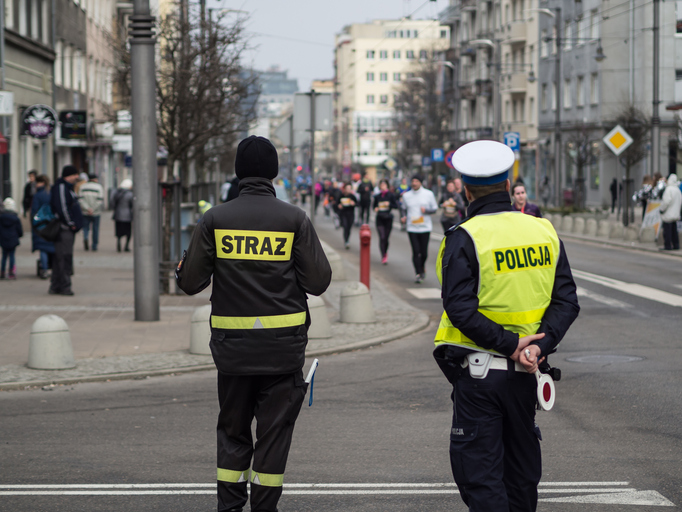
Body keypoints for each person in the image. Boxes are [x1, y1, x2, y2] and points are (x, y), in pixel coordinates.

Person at [175, 135, 331, 512]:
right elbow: (318, 282)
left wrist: (185, 263)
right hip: (283, 349)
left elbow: (191, 283)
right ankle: (265, 507)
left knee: (233, 432)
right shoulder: (293, 218)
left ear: (238, 172)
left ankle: (229, 507)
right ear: (275, 173)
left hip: (233, 351)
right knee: (274, 435)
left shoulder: (215, 219)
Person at [433, 140, 580, 512]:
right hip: (526, 376)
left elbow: (460, 310)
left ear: (466, 190)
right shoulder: (544, 230)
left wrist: (510, 344)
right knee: (521, 481)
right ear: (509, 184)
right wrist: (536, 348)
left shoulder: (463, 237)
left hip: (482, 378)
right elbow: (566, 301)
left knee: (482, 481)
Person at [50, 165, 83, 295]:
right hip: (64, 229)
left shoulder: (67, 188)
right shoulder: (62, 187)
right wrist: (71, 223)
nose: (77, 177)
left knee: (60, 257)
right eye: (75, 175)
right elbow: (63, 208)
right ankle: (64, 286)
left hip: (66, 228)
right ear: (68, 175)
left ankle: (56, 285)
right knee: (64, 257)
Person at [400, 175, 438, 283]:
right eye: (413, 181)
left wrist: (426, 210)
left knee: (424, 252)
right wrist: (403, 217)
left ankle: (422, 267)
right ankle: (418, 272)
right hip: (412, 227)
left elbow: (434, 209)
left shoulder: (428, 194)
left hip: (425, 227)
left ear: (421, 182)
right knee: (416, 251)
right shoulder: (406, 195)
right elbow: (403, 208)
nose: (414, 183)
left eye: (416, 181)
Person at [31, 175, 55, 279]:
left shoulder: (38, 195)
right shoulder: (52, 193)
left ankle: (44, 269)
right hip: (52, 225)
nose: (36, 185)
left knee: (43, 249)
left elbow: (34, 212)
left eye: (37, 183)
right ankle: (54, 270)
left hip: (41, 226)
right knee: (52, 249)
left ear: (42, 183)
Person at [373, 179, 399, 264]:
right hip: (380, 218)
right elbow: (373, 206)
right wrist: (375, 208)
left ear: (387, 186)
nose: (383, 186)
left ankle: (385, 252)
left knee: (386, 238)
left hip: (388, 218)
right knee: (382, 237)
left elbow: (395, 206)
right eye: (381, 185)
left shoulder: (390, 195)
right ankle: (383, 255)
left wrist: (389, 205)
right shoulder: (377, 196)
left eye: (384, 185)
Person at [78, 174, 104, 251]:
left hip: (85, 212)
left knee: (85, 227)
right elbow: (100, 200)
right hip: (96, 212)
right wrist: (92, 209)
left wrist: (87, 208)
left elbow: (80, 199)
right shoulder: (99, 187)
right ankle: (94, 245)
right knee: (95, 229)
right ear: (95, 179)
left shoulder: (82, 187)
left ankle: (85, 238)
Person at [0, 198, 23, 279]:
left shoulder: (1, 218)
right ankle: (11, 272)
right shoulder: (15, 218)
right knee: (12, 256)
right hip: (13, 239)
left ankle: (2, 272)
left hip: (3, 239)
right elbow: (19, 230)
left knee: (4, 256)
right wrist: (19, 235)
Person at [658, 174, 682, 251]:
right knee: (674, 231)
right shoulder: (677, 190)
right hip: (676, 214)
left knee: (667, 231)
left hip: (668, 214)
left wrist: (661, 209)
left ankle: (667, 245)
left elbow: (666, 201)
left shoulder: (669, 189)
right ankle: (676, 245)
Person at [112, 179, 134, 252]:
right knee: (128, 232)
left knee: (119, 231)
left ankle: (118, 242)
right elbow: (132, 204)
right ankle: (126, 246)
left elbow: (112, 203)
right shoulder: (130, 194)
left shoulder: (117, 193)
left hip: (118, 215)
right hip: (127, 216)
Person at [337, 182, 357, 249]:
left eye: (349, 189)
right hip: (343, 214)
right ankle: (346, 241)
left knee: (349, 228)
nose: (348, 190)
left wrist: (353, 203)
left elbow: (357, 204)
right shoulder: (341, 196)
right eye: (347, 188)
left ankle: (347, 239)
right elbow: (336, 203)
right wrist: (339, 206)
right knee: (345, 227)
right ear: (344, 189)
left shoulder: (352, 196)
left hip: (351, 214)